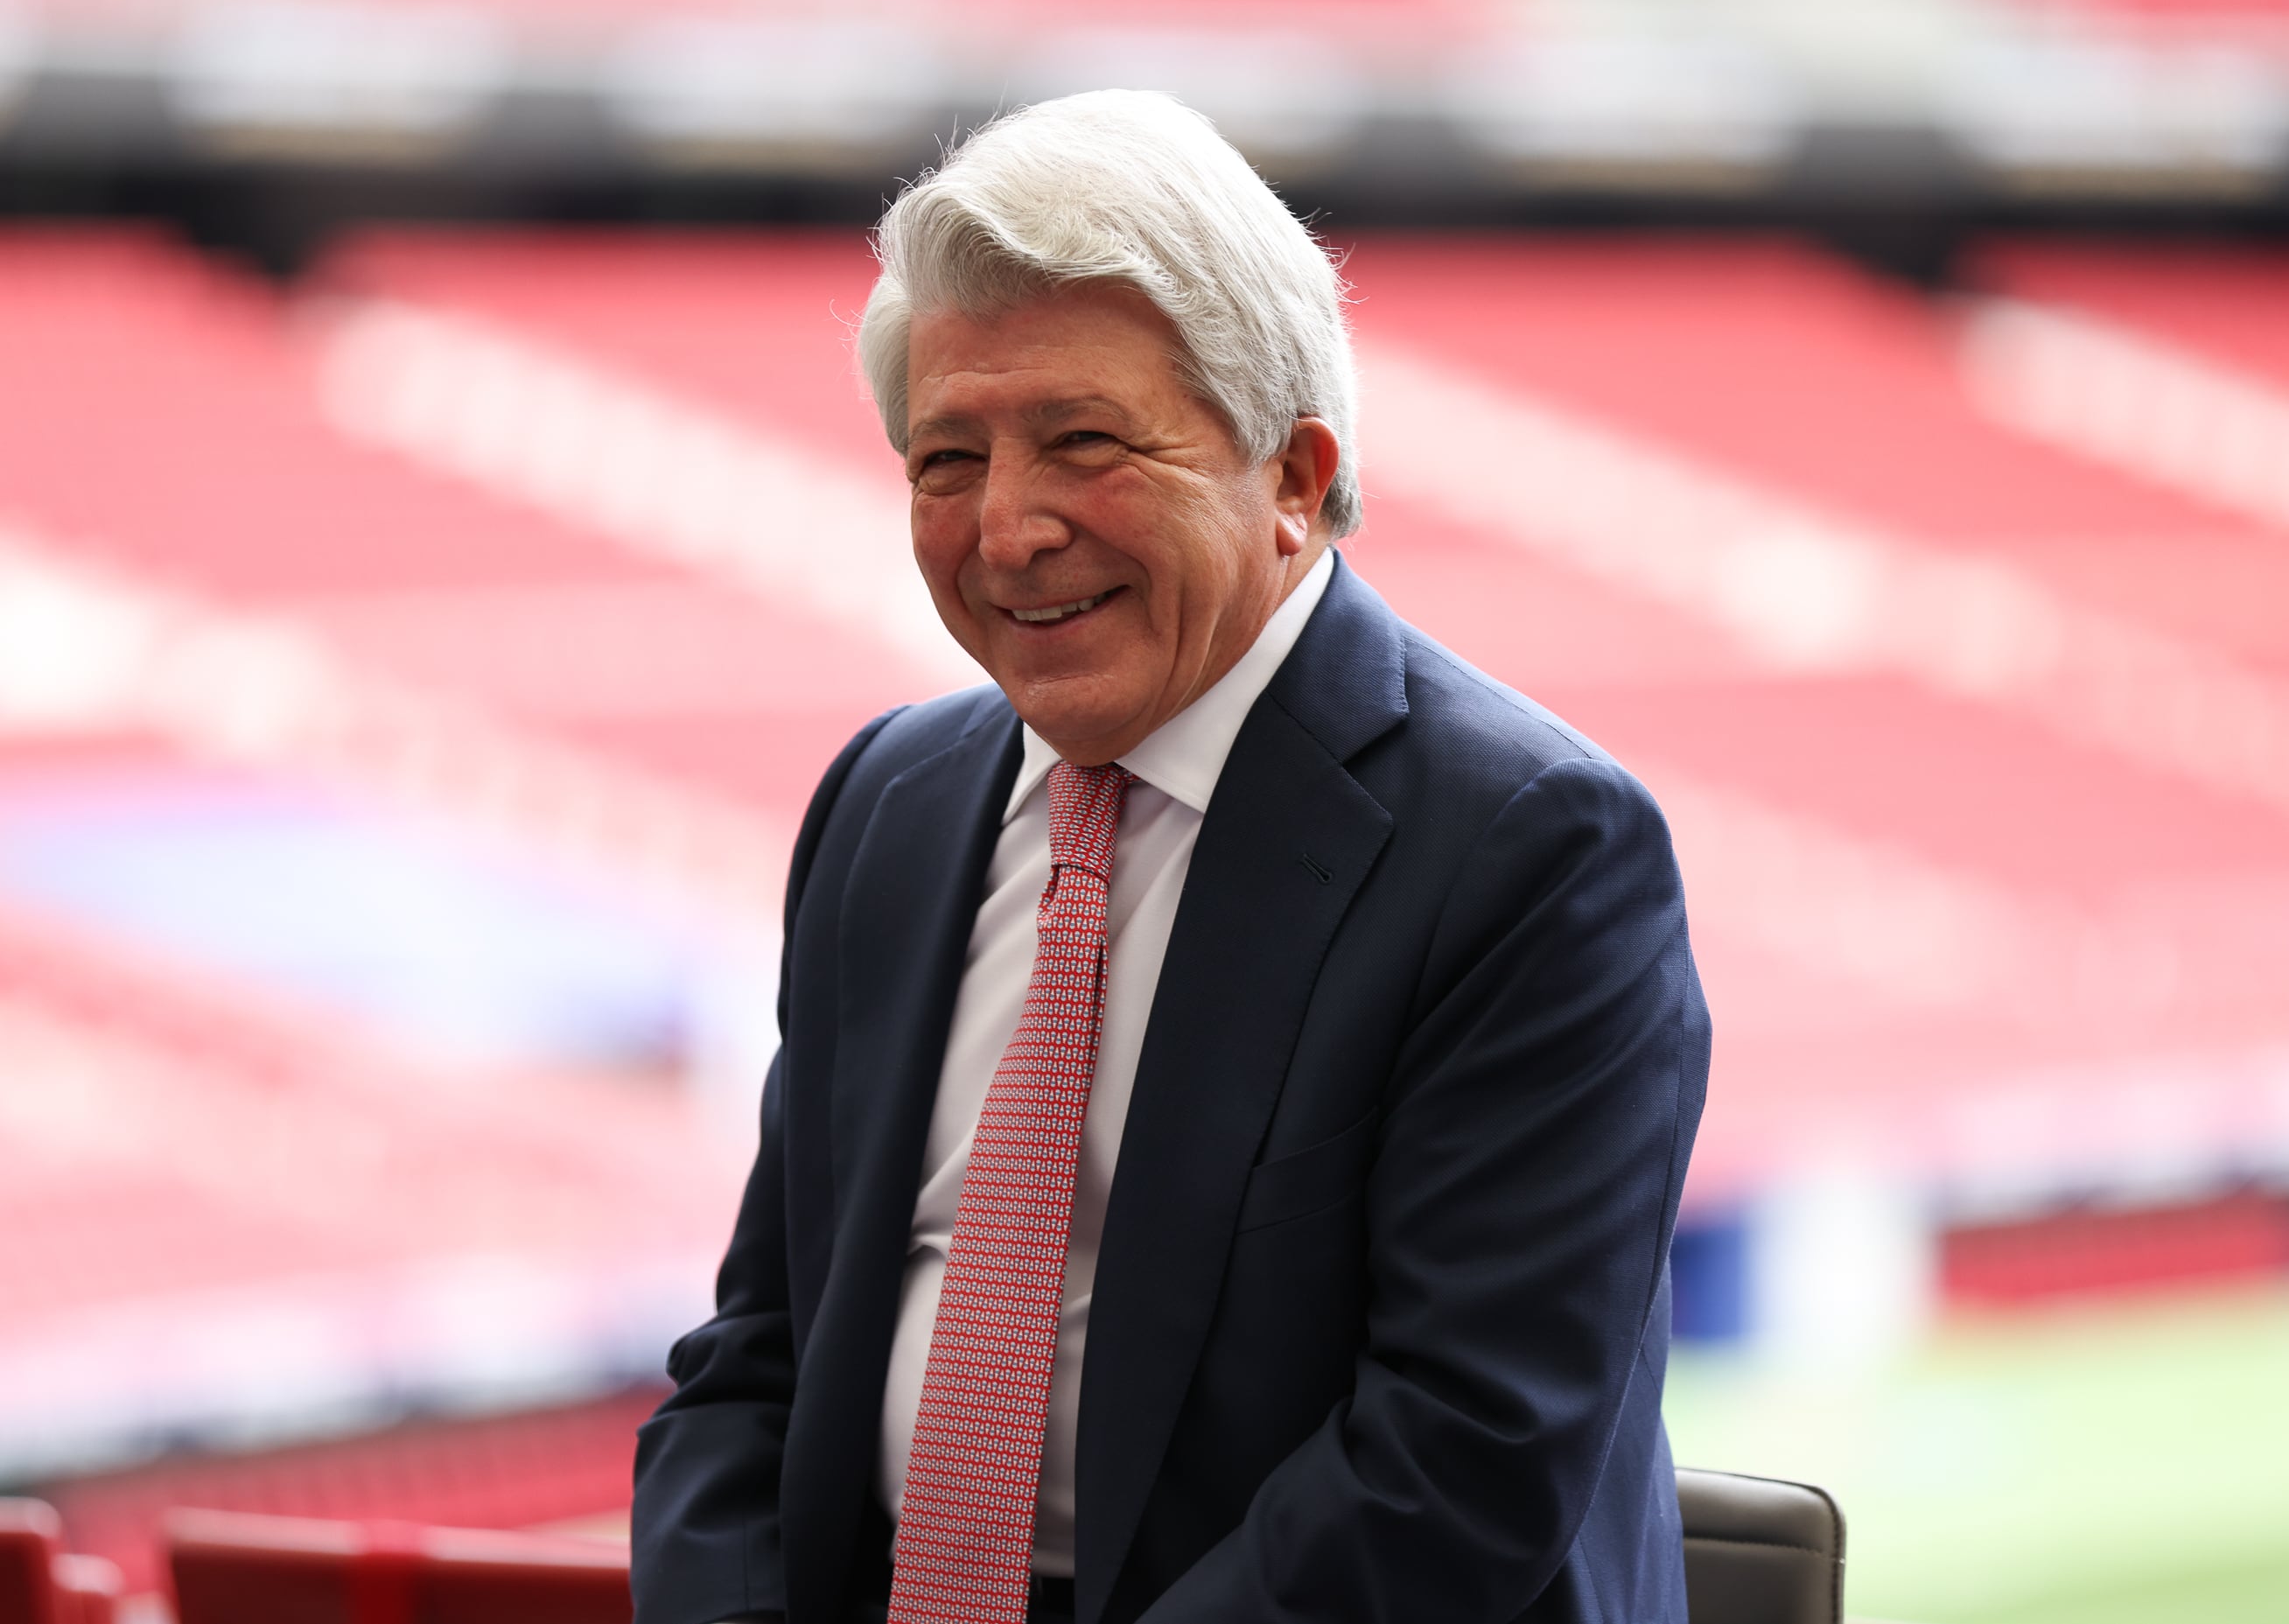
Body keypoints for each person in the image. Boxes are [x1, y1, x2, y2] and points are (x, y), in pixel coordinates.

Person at [633, 90, 1709, 1624]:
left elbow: (1459, 1466)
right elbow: (756, 1363)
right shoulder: (887, 803)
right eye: (947, 461)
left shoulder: (1531, 852)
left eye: (1083, 442)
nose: (1007, 530)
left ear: (1291, 474)